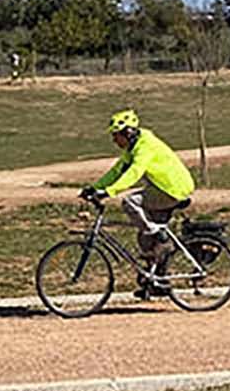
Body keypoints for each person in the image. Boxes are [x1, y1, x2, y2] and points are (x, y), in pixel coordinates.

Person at [81, 109, 195, 295]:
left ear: (128, 133)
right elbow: (118, 171)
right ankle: (158, 282)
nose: (114, 140)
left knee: (130, 202)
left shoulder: (145, 146)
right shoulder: (133, 147)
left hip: (173, 190)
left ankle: (159, 236)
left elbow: (134, 173)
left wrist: (109, 192)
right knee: (144, 238)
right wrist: (95, 187)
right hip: (163, 189)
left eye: (116, 135)